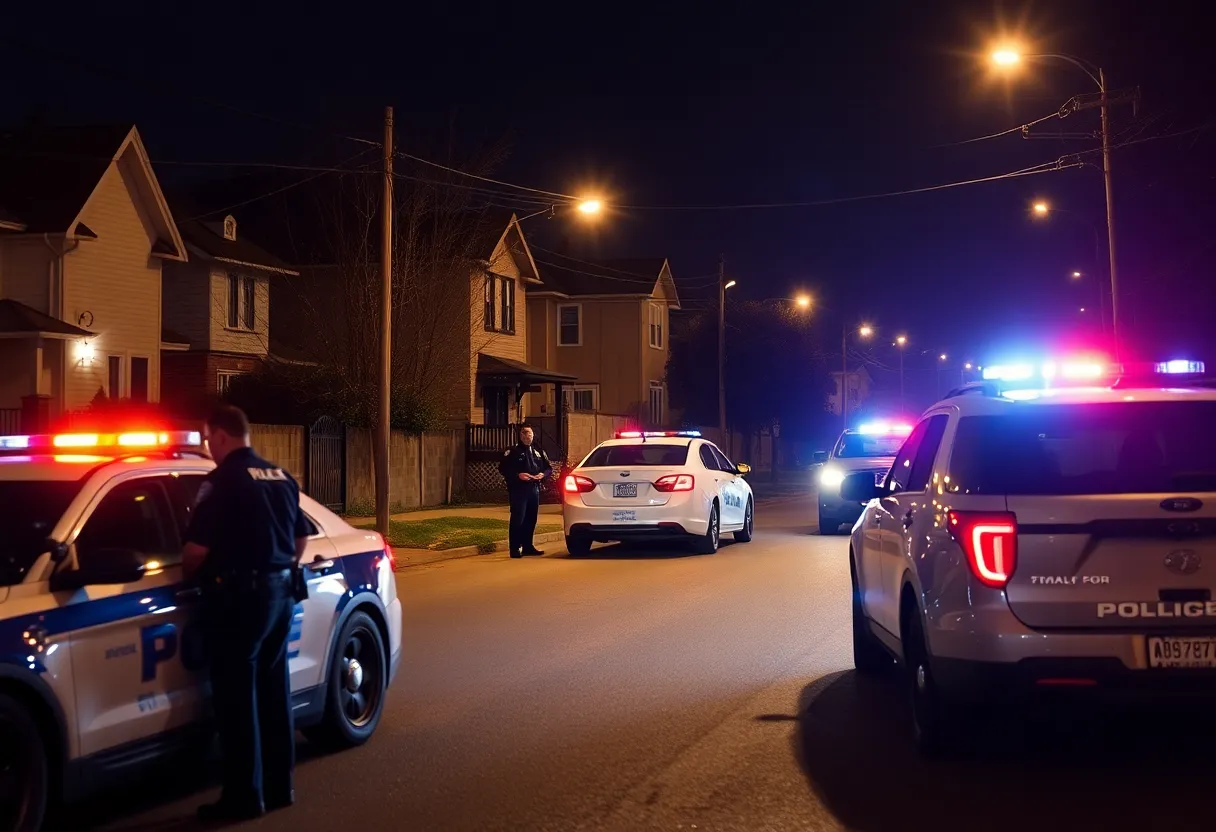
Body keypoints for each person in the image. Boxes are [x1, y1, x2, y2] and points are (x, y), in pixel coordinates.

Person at [182, 405, 309, 821]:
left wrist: (190, 575)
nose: (209, 447)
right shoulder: (279, 475)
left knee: (237, 702)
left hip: (239, 601)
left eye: (207, 438)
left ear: (219, 436)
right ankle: (280, 788)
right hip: (280, 596)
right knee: (274, 694)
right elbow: (299, 539)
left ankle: (242, 798)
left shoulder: (222, 482)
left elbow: (196, 552)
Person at [498, 424, 552, 558]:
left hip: (534, 488)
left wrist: (542, 475)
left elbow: (548, 468)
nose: (527, 436)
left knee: (531, 518)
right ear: (520, 435)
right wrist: (517, 475)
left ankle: (528, 546)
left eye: (530, 434)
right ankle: (515, 548)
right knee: (518, 518)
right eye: (525, 433)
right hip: (519, 489)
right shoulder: (513, 451)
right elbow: (503, 469)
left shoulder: (538, 451)